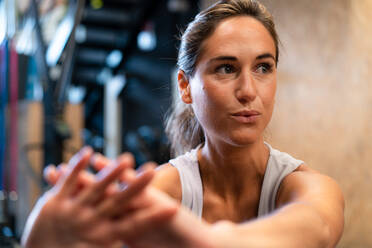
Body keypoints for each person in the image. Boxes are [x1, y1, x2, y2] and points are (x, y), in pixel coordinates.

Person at [21, 0, 345, 247]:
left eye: (263, 68)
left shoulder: (308, 187)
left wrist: (204, 239)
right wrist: (42, 234)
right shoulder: (161, 190)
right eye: (226, 69)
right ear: (186, 87)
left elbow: (317, 227)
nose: (248, 91)